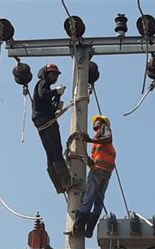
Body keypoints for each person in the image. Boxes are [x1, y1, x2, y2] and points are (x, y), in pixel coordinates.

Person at [74, 115, 116, 238]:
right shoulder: (96, 144)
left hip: (99, 171)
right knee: (98, 201)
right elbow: (96, 159)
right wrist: (88, 160)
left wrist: (90, 140)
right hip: (105, 172)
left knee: (89, 198)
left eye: (98, 120)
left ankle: (79, 226)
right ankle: (89, 229)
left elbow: (109, 138)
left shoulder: (104, 129)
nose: (95, 122)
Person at [32, 63, 71, 193]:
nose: (55, 77)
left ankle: (58, 185)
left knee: (50, 152)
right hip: (46, 120)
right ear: (46, 74)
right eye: (53, 74)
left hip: (40, 121)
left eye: (56, 75)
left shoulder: (44, 85)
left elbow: (44, 101)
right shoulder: (43, 83)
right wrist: (55, 92)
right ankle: (66, 181)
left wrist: (56, 101)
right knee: (56, 148)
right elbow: (43, 95)